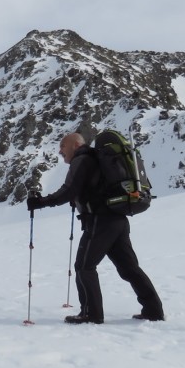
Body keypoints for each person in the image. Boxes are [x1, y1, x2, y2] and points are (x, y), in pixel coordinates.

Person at [26, 132, 165, 324]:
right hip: (117, 219)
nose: (60, 151)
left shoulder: (82, 159)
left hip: (101, 221)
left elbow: (68, 190)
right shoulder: (96, 159)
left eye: (63, 146)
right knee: (129, 268)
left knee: (84, 266)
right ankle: (153, 310)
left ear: (75, 144)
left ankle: (91, 314)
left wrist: (40, 202)